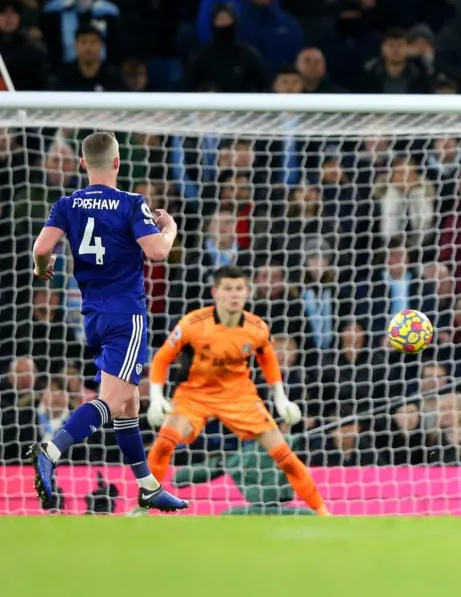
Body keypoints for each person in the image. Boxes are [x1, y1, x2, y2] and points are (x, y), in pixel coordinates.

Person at [28, 131, 187, 512]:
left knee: (130, 404)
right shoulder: (132, 203)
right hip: (126, 316)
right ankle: (51, 449)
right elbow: (158, 253)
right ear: (118, 162)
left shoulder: (66, 204)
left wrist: (42, 269)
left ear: (83, 164)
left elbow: (41, 249)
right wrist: (170, 228)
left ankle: (147, 486)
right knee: (113, 402)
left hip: (92, 316)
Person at [145, 266, 328, 516]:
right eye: (228, 289)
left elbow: (268, 360)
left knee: (284, 455)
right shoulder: (193, 324)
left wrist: (281, 398)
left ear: (247, 292)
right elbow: (161, 358)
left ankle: (322, 511)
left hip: (239, 397)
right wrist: (156, 398)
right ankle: (144, 505)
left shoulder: (256, 328)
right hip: (195, 396)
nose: (234, 294)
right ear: (215, 292)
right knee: (166, 441)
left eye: (239, 289)